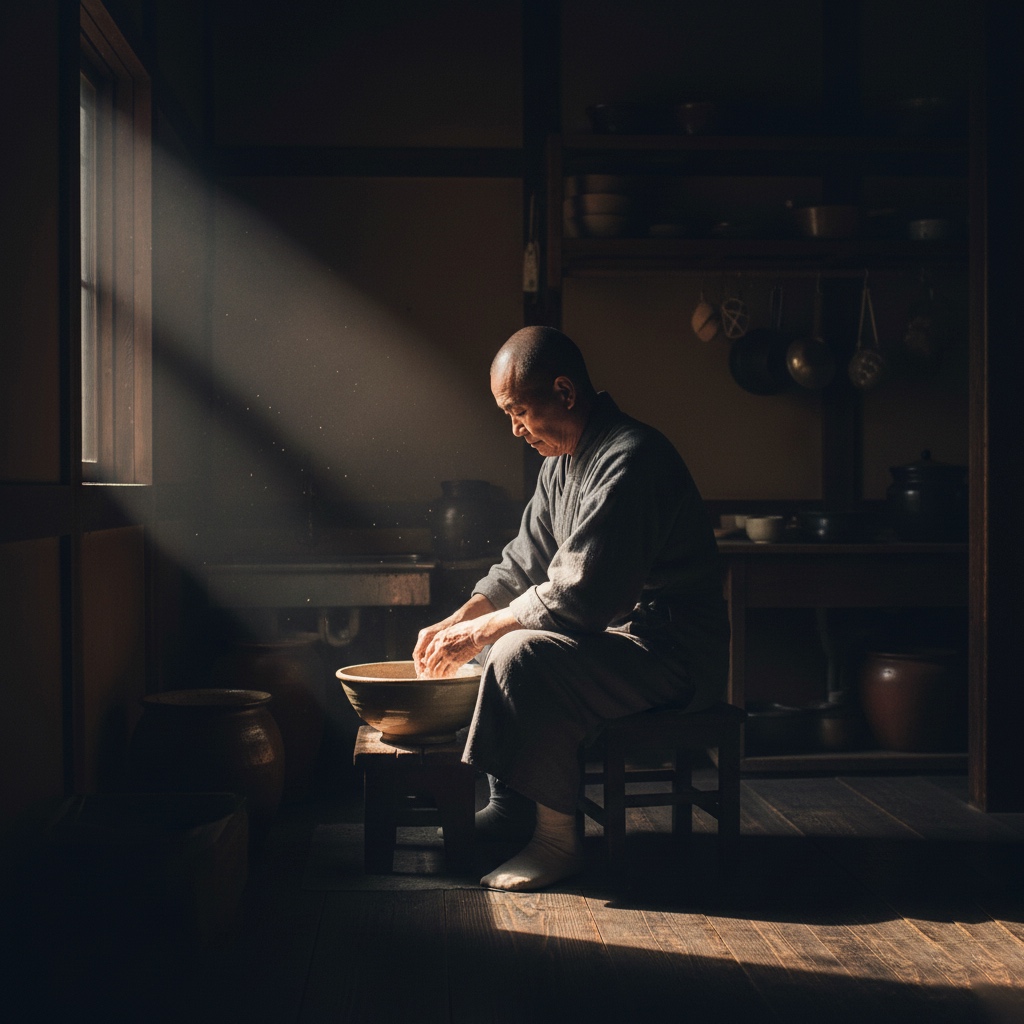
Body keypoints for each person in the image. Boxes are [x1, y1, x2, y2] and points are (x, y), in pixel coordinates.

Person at [413, 325, 729, 892]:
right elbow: (520, 566)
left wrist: (486, 630)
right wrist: (459, 621)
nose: (515, 430)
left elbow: (583, 595)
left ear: (564, 392)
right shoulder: (560, 463)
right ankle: (513, 807)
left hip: (671, 656)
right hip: (618, 648)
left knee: (520, 654)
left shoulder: (631, 456)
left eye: (518, 411)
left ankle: (557, 842)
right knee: (492, 643)